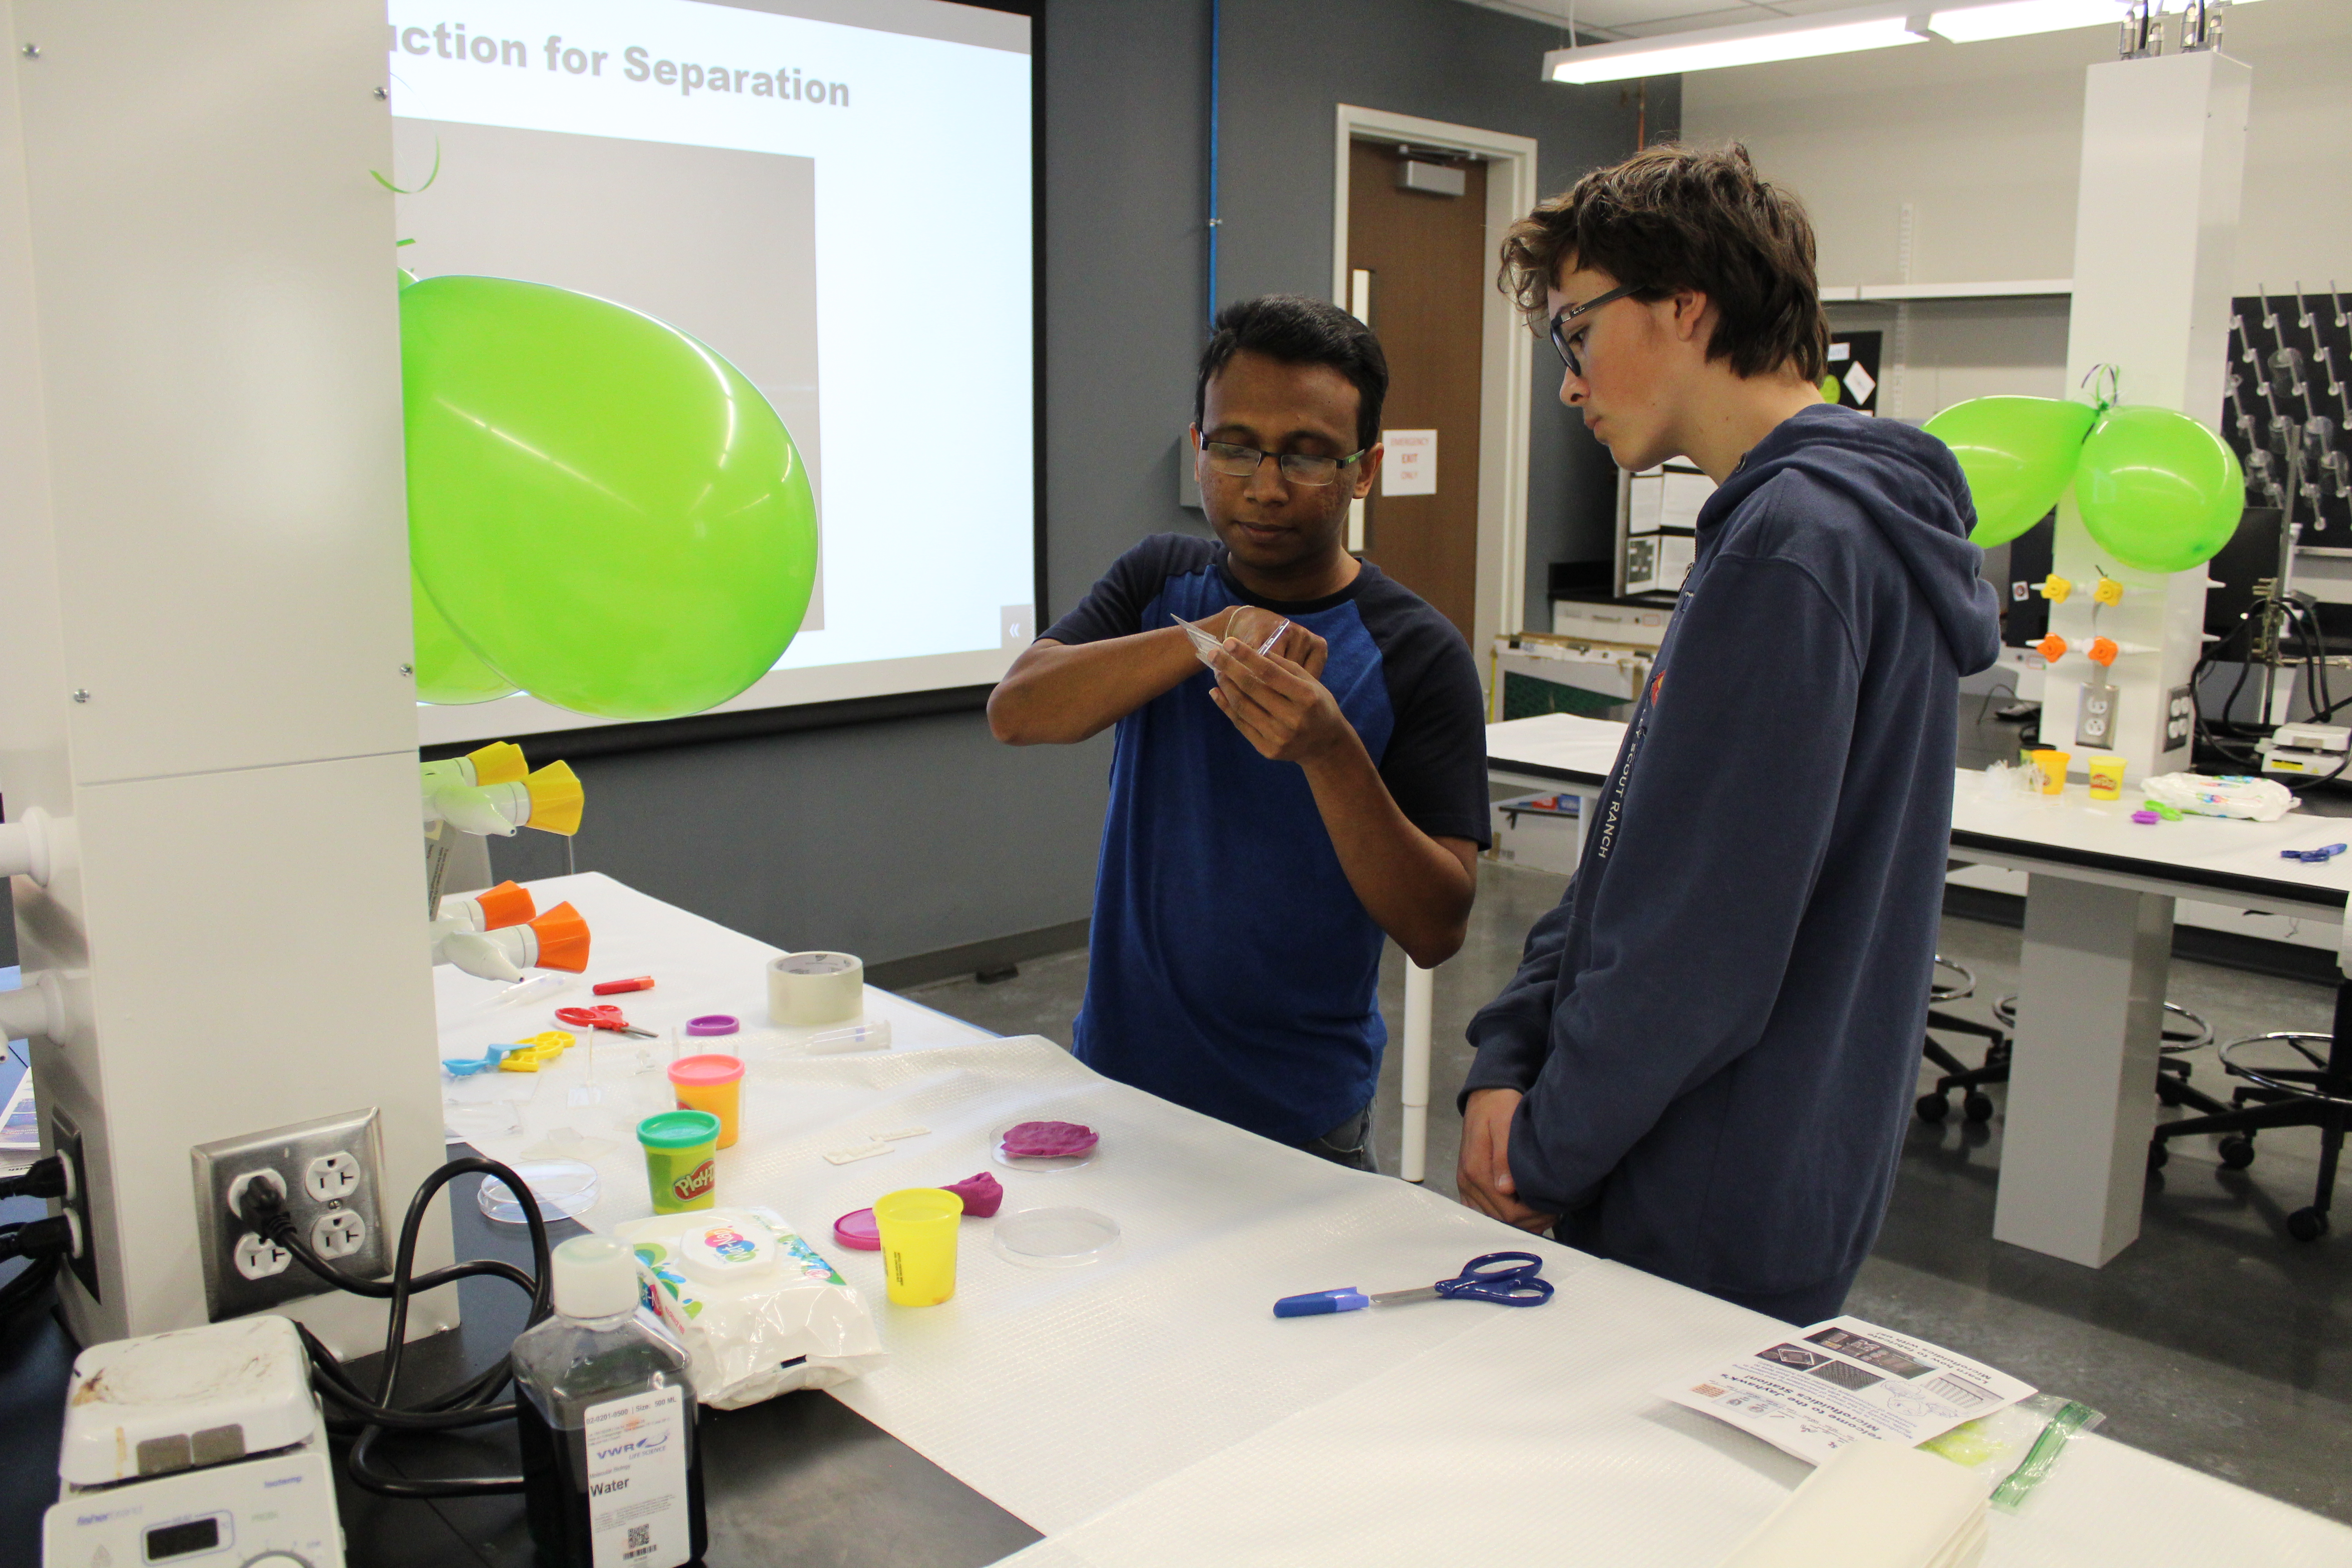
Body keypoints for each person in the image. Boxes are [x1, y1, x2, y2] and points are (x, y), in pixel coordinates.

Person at [1457, 145, 2000, 1322]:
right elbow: (1635, 856)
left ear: (1684, 308)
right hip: (1756, 1163)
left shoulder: (1794, 550)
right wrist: (1511, 1052)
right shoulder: (1805, 529)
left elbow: (1696, 949)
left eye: (1576, 333)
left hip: (1705, 1187)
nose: (1570, 381)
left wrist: (1539, 1149)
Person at [989, 294, 1490, 1169]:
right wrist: (1211, 636)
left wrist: (1330, 751)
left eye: (1307, 455)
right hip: (1119, 1087)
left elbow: (1437, 925)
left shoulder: (1417, 652)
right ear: (1198, 448)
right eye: (1235, 447)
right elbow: (1021, 710)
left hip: (1299, 1121)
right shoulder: (1159, 582)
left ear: (1364, 469)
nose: (1263, 486)